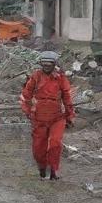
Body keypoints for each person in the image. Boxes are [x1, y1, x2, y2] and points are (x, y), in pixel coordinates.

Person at [20, 50, 75, 181]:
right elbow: (25, 95)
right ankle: (42, 168)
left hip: (57, 117)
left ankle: (54, 171)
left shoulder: (61, 78)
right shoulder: (36, 77)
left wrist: (69, 116)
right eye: (44, 64)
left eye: (49, 64)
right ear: (40, 64)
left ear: (54, 64)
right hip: (39, 117)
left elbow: (67, 97)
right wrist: (27, 111)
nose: (46, 66)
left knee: (55, 144)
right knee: (38, 148)